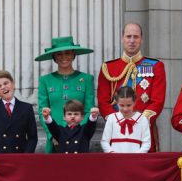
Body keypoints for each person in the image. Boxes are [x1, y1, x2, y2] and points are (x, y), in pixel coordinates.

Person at [97, 22, 166, 152]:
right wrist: (116, 122)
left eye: (136, 37)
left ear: (142, 39)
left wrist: (140, 122)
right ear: (122, 38)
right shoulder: (108, 68)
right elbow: (103, 101)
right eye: (128, 36)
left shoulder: (156, 66)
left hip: (144, 129)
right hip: (116, 132)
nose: (132, 41)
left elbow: (158, 101)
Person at [35, 36, 95, 153]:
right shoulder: (45, 80)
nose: (64, 57)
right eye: (59, 54)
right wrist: (52, 135)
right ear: (54, 57)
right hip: (55, 141)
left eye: (67, 53)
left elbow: (88, 110)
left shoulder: (86, 79)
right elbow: (43, 112)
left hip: (80, 141)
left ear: (73, 54)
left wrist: (80, 133)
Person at [0, 70, 38, 153]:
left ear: (13, 84)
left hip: (20, 156)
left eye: (6, 83)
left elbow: (32, 138)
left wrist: (26, 157)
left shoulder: (26, 108)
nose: (3, 87)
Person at [101, 86, 151, 153]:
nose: (125, 109)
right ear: (117, 103)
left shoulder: (142, 119)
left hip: (136, 160)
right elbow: (104, 141)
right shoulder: (111, 118)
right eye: (121, 105)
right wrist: (111, 153)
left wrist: (137, 156)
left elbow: (146, 143)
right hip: (115, 160)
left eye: (128, 105)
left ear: (134, 102)